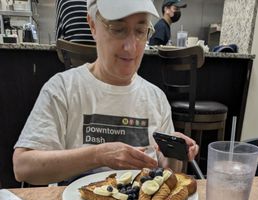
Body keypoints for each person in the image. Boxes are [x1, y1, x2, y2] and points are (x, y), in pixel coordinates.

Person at [13, 0, 198, 186]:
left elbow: (167, 172)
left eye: (140, 31)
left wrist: (174, 153)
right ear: (92, 25)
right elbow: (23, 167)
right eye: (118, 29)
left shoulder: (156, 98)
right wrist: (99, 155)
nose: (131, 47)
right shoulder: (63, 88)